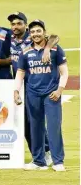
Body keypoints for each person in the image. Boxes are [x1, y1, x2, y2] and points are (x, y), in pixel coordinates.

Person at [14, 20, 68, 172]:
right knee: (35, 128)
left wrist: (59, 90)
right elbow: (20, 73)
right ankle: (39, 161)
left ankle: (58, 161)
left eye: (38, 31)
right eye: (32, 32)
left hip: (51, 94)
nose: (35, 34)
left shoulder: (56, 50)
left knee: (53, 127)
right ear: (29, 34)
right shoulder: (25, 52)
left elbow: (64, 72)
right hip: (33, 94)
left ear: (44, 32)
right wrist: (16, 91)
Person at [8, 11, 58, 165]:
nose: (15, 26)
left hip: (33, 85)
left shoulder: (32, 38)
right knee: (25, 123)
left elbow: (55, 37)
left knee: (33, 121)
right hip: (19, 82)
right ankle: (39, 155)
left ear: (26, 26)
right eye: (13, 24)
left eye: (19, 23)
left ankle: (46, 152)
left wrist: (48, 48)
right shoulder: (9, 38)